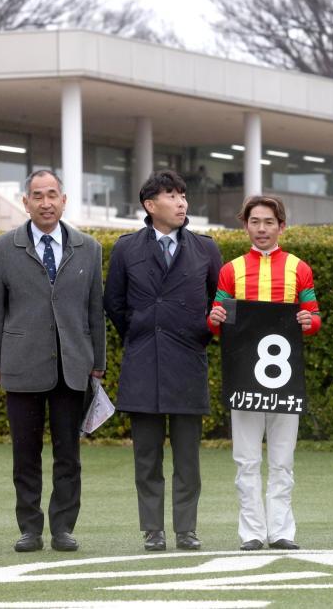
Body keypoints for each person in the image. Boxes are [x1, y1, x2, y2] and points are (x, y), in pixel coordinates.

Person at [0, 170, 106, 553]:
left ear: (64, 200)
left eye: (52, 194)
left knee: (68, 454)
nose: (46, 202)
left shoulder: (88, 248)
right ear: (26, 202)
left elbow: (94, 311)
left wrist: (98, 362)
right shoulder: (3, 249)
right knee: (25, 454)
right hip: (21, 365)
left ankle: (64, 527)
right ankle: (29, 528)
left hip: (73, 366)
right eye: (38, 195)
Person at [104, 169, 222, 552]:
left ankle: (186, 529)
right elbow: (115, 304)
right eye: (171, 195)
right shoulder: (126, 248)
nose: (181, 201)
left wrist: (199, 334)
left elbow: (218, 302)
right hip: (143, 363)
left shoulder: (206, 249)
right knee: (147, 457)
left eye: (183, 195)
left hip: (188, 362)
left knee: (188, 458)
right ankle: (153, 529)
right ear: (150, 205)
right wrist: (140, 332)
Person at [207, 195, 322, 551]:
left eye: (268, 222)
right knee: (246, 460)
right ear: (246, 226)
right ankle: (252, 533)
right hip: (244, 378)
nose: (261, 229)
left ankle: (282, 531)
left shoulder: (299, 268)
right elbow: (216, 321)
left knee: (282, 461)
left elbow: (313, 317)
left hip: (285, 382)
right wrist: (214, 320)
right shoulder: (231, 270)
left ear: (281, 226)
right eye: (255, 222)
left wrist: (308, 321)